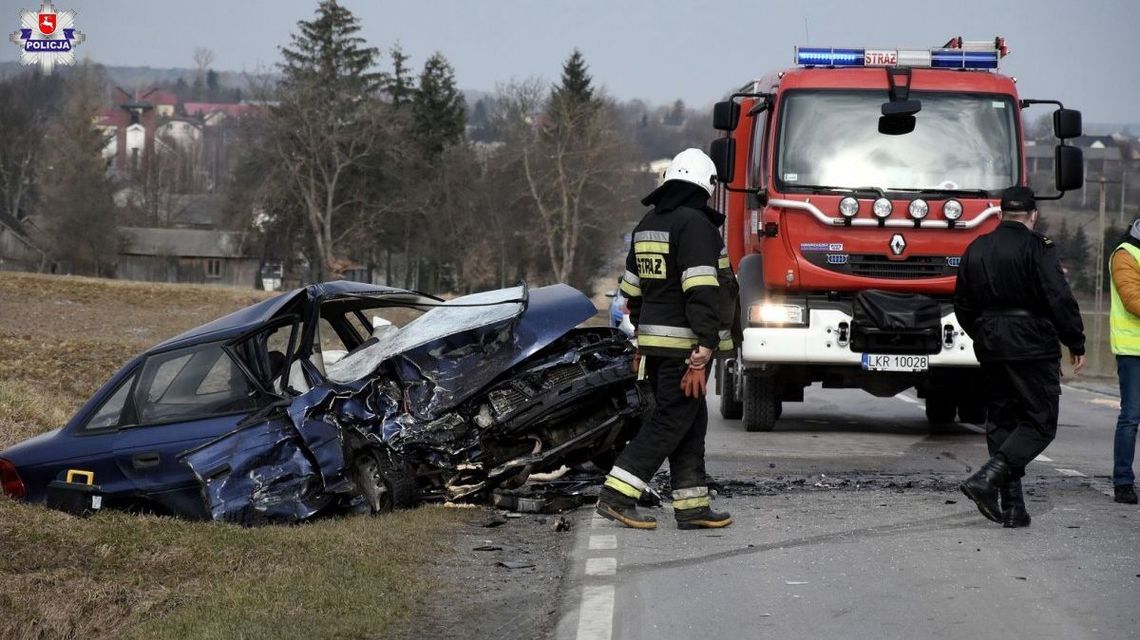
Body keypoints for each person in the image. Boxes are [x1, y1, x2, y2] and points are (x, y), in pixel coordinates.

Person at [597, 148, 738, 530]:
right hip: (687, 348)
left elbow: (632, 291)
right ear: (704, 186)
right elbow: (703, 291)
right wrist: (703, 349)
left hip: (659, 346)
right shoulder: (695, 226)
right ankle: (617, 495)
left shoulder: (647, 224)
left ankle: (691, 506)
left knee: (690, 422)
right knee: (669, 422)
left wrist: (643, 335)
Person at [953, 186, 1086, 528]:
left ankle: (1013, 507)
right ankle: (986, 480)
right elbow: (1058, 297)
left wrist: (983, 332)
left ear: (1000, 215)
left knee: (1002, 421)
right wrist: (1075, 342)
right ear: (1032, 215)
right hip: (1031, 344)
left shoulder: (977, 247)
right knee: (1040, 423)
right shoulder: (1037, 248)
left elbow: (962, 303)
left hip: (990, 342)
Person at [1108, 220, 1140, 504]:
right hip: (1134, 349)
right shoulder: (1126, 253)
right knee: (1131, 416)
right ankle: (1123, 481)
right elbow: (1133, 300)